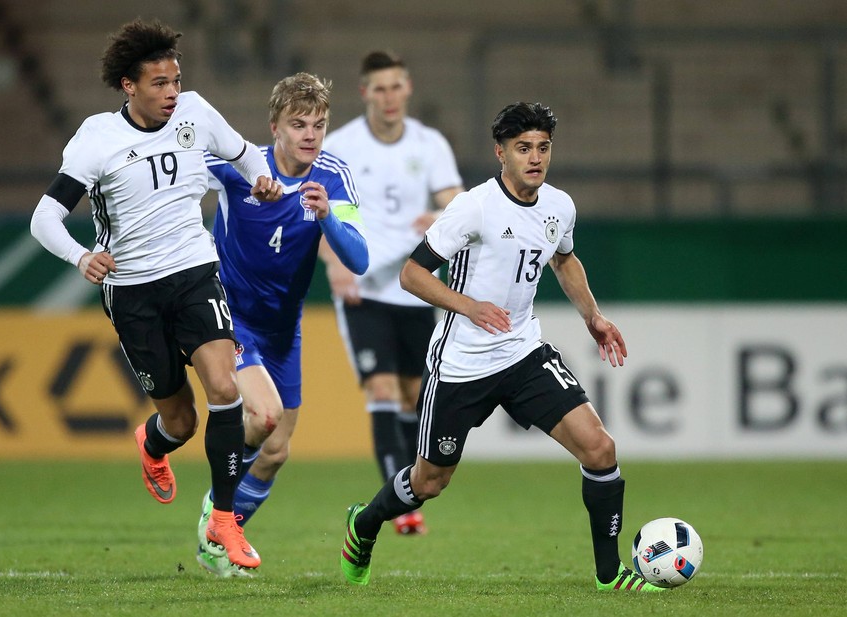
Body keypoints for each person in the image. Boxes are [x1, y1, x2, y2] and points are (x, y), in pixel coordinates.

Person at [339, 102, 665, 592]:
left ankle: (608, 574)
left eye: (543, 147)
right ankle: (364, 525)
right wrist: (468, 306)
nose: (535, 158)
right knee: (429, 482)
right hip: (462, 364)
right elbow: (412, 275)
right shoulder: (475, 206)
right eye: (523, 148)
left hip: (523, 353)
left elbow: (564, 259)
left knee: (600, 449)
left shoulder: (559, 205)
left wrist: (593, 317)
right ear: (501, 153)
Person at [29, 19, 283, 573]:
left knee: (223, 386)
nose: (171, 93)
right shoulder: (97, 140)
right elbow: (44, 216)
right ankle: (153, 444)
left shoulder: (195, 111)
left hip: (194, 272)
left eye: (175, 80)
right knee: (181, 421)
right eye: (158, 84)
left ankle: (222, 520)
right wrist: (80, 256)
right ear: (128, 86)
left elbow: (245, 154)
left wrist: (262, 177)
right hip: (133, 291)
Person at [195, 72, 368, 577]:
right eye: (298, 124)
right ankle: (217, 516)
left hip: (282, 328)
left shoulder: (332, 176)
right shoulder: (240, 167)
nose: (310, 135)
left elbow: (357, 258)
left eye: (318, 124)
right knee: (263, 416)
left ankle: (222, 533)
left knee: (275, 451)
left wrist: (328, 217)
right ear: (275, 127)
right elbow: (179, 180)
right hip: (231, 316)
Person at [322, 51, 464, 535]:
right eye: (378, 88)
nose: (388, 97)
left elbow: (455, 202)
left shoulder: (430, 144)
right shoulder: (340, 146)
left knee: (413, 395)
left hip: (415, 285)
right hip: (363, 287)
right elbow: (320, 209)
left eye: (395, 87)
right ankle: (402, 509)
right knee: (381, 389)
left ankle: (409, 489)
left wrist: (445, 217)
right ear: (365, 93)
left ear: (407, 89)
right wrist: (333, 265)